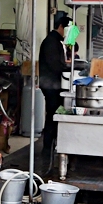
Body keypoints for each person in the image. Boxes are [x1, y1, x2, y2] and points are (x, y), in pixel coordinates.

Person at [39, 14, 72, 157]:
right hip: (50, 85)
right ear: (60, 27)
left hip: (54, 84)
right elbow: (54, 65)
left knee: (54, 115)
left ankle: (51, 146)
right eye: (68, 29)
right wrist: (67, 66)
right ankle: (47, 149)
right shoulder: (51, 42)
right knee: (53, 115)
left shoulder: (57, 41)